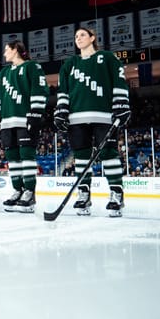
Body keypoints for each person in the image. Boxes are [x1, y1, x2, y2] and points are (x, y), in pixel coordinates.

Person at [54, 27, 131, 217]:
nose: (78, 38)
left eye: (82, 35)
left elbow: (119, 81)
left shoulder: (107, 58)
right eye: (76, 36)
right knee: (81, 156)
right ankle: (84, 194)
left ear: (92, 38)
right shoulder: (70, 63)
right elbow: (63, 89)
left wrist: (121, 103)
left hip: (104, 116)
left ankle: (116, 193)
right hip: (76, 118)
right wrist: (61, 110)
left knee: (108, 153)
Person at [0, 41, 49, 213]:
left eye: (6, 50)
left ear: (16, 50)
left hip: (25, 119)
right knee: (13, 157)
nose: (4, 54)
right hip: (7, 122)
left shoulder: (32, 67)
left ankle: (30, 192)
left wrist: (36, 112)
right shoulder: (4, 72)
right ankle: (18, 189)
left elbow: (39, 89)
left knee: (26, 155)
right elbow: (0, 96)